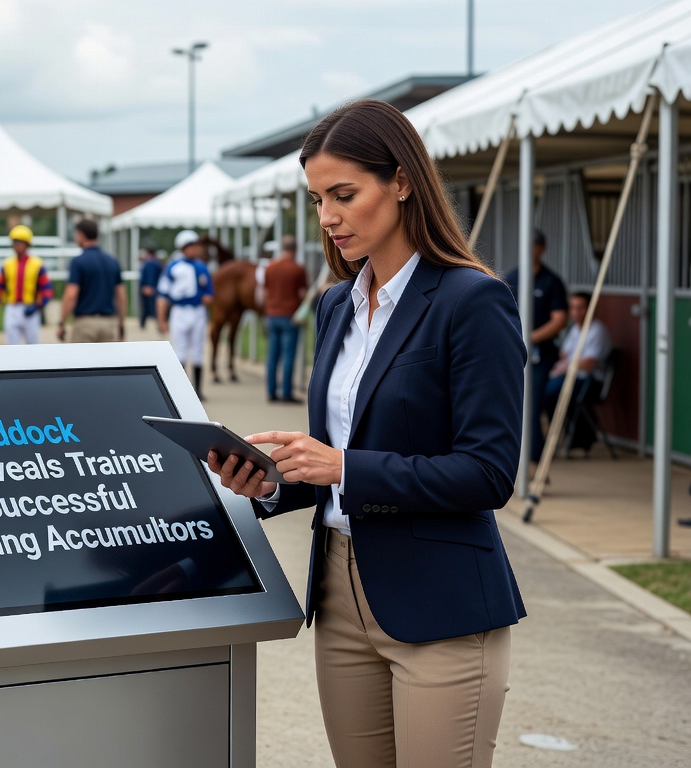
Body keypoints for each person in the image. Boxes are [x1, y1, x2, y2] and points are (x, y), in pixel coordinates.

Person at [211, 99, 525, 768]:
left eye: (344, 194)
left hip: (440, 606)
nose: (327, 216)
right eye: (318, 197)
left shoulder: (473, 302)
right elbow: (334, 458)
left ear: (403, 182)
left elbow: (489, 473)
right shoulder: (336, 304)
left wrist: (345, 468)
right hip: (340, 595)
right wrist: (267, 481)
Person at [502, 229, 568, 463]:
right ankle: (512, 456)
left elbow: (560, 319)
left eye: (534, 245)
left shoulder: (552, 281)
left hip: (541, 355)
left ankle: (534, 461)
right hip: (512, 352)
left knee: (532, 407)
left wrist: (530, 337)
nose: (530, 249)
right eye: (526, 244)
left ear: (542, 248)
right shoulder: (510, 278)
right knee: (510, 405)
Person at [543, 291, 611, 435]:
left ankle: (557, 433)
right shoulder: (574, 329)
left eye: (580, 307)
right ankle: (558, 433)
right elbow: (564, 354)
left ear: (591, 308)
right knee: (542, 385)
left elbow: (588, 364)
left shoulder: (597, 330)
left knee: (549, 391)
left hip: (589, 381)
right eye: (572, 307)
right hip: (571, 376)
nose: (576, 312)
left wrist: (565, 366)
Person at [155, 230, 213, 398]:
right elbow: (163, 295)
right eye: (191, 246)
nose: (195, 249)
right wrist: (161, 318)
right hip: (180, 310)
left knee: (197, 349)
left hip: (197, 311)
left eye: (196, 246)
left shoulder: (202, 267)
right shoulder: (173, 267)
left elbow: (209, 294)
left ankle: (198, 389)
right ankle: (180, 389)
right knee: (179, 349)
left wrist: (206, 298)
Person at [56, 219, 125, 343]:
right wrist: (121, 323)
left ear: (81, 235)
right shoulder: (112, 261)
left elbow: (71, 295)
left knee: (81, 361)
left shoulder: (78, 262)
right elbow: (121, 296)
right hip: (108, 323)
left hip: (85, 323)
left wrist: (62, 322)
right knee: (106, 362)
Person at [263, 234, 308, 403]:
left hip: (272, 314)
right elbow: (302, 293)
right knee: (288, 355)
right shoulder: (297, 269)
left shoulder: (270, 267)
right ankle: (287, 393)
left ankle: (271, 392)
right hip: (290, 316)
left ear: (282, 249)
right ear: (295, 249)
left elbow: (265, 292)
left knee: (272, 355)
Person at [0, 225, 52, 344]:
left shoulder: (37, 264)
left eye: (20, 242)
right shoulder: (7, 264)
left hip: (30, 308)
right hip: (12, 308)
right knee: (12, 345)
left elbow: (47, 290)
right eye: (15, 242)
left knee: (33, 345)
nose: (17, 245)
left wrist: (36, 306)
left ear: (27, 244)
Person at [137, 248, 162, 329]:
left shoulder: (150, 263)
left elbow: (150, 275)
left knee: (148, 307)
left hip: (149, 288)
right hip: (154, 288)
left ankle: (149, 324)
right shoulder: (156, 262)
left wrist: (149, 285)